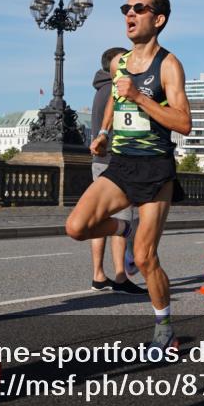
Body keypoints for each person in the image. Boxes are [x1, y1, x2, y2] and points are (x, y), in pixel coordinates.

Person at [65, 0, 191, 352]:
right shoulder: (119, 63)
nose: (129, 14)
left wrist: (139, 96)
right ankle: (126, 227)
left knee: (148, 257)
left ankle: (164, 327)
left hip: (155, 169)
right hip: (120, 163)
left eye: (139, 8)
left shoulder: (168, 65)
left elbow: (183, 122)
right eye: (126, 8)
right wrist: (104, 132)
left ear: (159, 18)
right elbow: (114, 102)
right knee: (76, 227)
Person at [88, 46, 146, 295]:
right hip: (116, 162)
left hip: (99, 162)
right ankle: (121, 276)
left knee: (101, 219)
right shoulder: (115, 90)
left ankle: (99, 275)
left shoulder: (100, 90)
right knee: (122, 221)